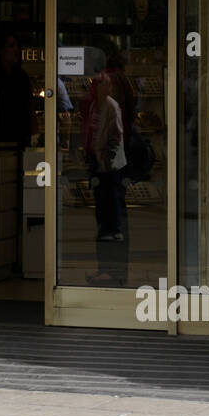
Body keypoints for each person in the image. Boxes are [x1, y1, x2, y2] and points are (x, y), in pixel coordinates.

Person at [82, 46, 136, 283]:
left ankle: (113, 270)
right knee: (110, 217)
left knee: (110, 218)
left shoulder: (109, 93)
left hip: (108, 164)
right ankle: (112, 269)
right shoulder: (120, 84)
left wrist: (104, 161)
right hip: (107, 162)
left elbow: (113, 133)